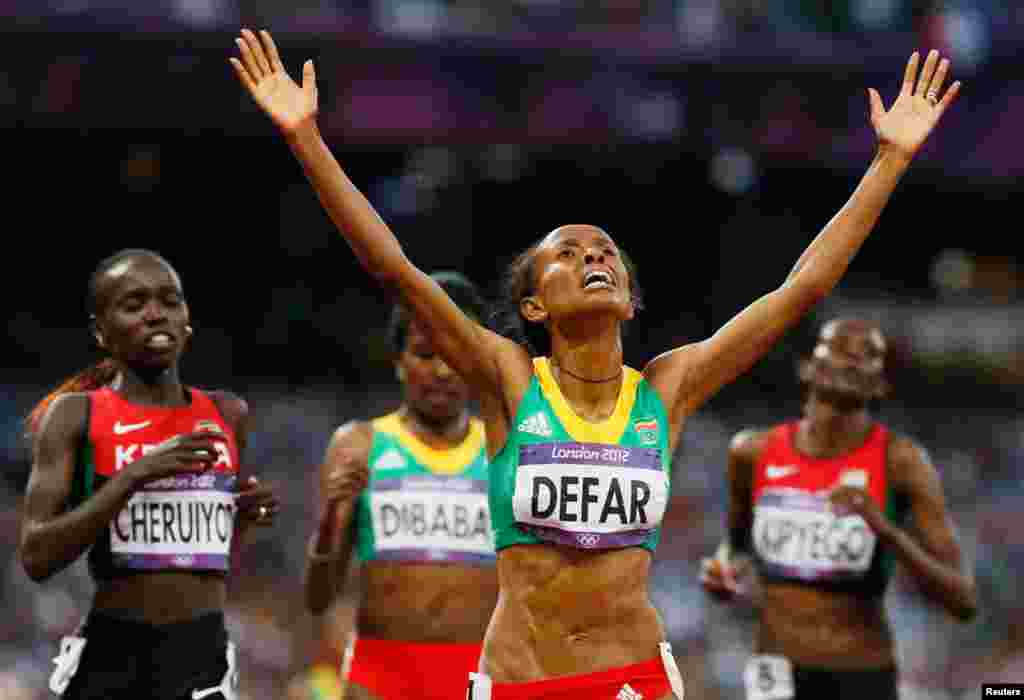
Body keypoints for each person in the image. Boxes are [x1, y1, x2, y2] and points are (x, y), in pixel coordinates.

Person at [231, 30, 960, 700]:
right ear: (535, 305)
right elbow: (395, 270)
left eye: (606, 252)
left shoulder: (667, 388)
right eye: (569, 255)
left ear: (632, 301)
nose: (594, 259)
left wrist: (890, 159)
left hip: (633, 676)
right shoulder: (508, 378)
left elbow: (802, 289)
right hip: (522, 675)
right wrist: (305, 138)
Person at [19, 249, 279, 700]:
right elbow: (37, 557)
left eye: (169, 300)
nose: (155, 314)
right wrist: (133, 476)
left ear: (187, 319)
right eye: (134, 304)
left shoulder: (226, 413)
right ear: (101, 331)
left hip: (203, 656)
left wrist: (241, 521)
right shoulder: (77, 414)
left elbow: (206, 564)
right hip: (113, 658)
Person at [700, 319, 977, 700]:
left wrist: (887, 531)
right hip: (773, 672)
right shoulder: (751, 452)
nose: (851, 358)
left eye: (868, 355)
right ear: (807, 367)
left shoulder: (902, 462)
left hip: (860, 675)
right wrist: (722, 569)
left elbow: (964, 601)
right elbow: (736, 546)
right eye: (837, 347)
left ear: (880, 385)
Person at [303, 271, 499, 700]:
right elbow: (318, 599)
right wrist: (328, 520)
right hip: (381, 679)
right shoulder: (357, 446)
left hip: (480, 678)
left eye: (454, 353)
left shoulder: (505, 452)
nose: (443, 370)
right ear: (398, 360)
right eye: (425, 354)